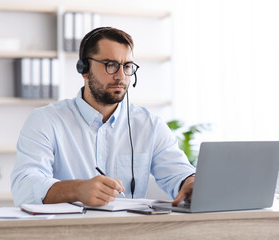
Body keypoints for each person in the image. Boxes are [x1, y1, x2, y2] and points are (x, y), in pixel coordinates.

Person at [10, 27, 195, 207]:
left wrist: (189, 183)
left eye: (127, 66)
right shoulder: (45, 121)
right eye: (111, 65)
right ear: (84, 69)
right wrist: (77, 190)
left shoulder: (150, 125)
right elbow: (24, 188)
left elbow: (179, 174)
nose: (121, 76)